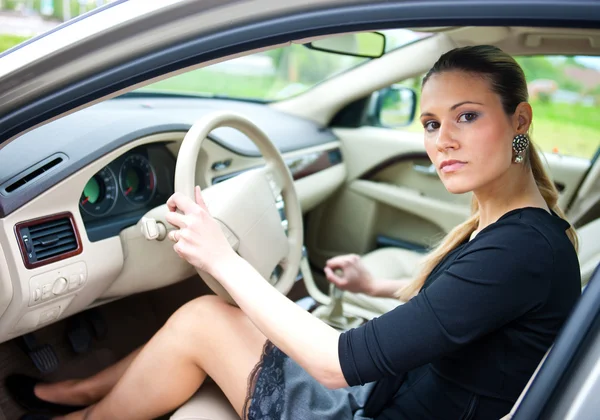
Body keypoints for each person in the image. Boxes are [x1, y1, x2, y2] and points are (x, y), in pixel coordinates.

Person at [7, 44, 581, 420]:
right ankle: (80, 394)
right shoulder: (521, 235)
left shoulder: (521, 250)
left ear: (520, 122)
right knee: (205, 318)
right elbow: (466, 312)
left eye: (467, 116)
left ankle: (80, 413)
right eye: (431, 123)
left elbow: (335, 363)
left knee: (202, 320)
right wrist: (375, 286)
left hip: (375, 407)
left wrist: (221, 255)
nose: (442, 141)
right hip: (394, 391)